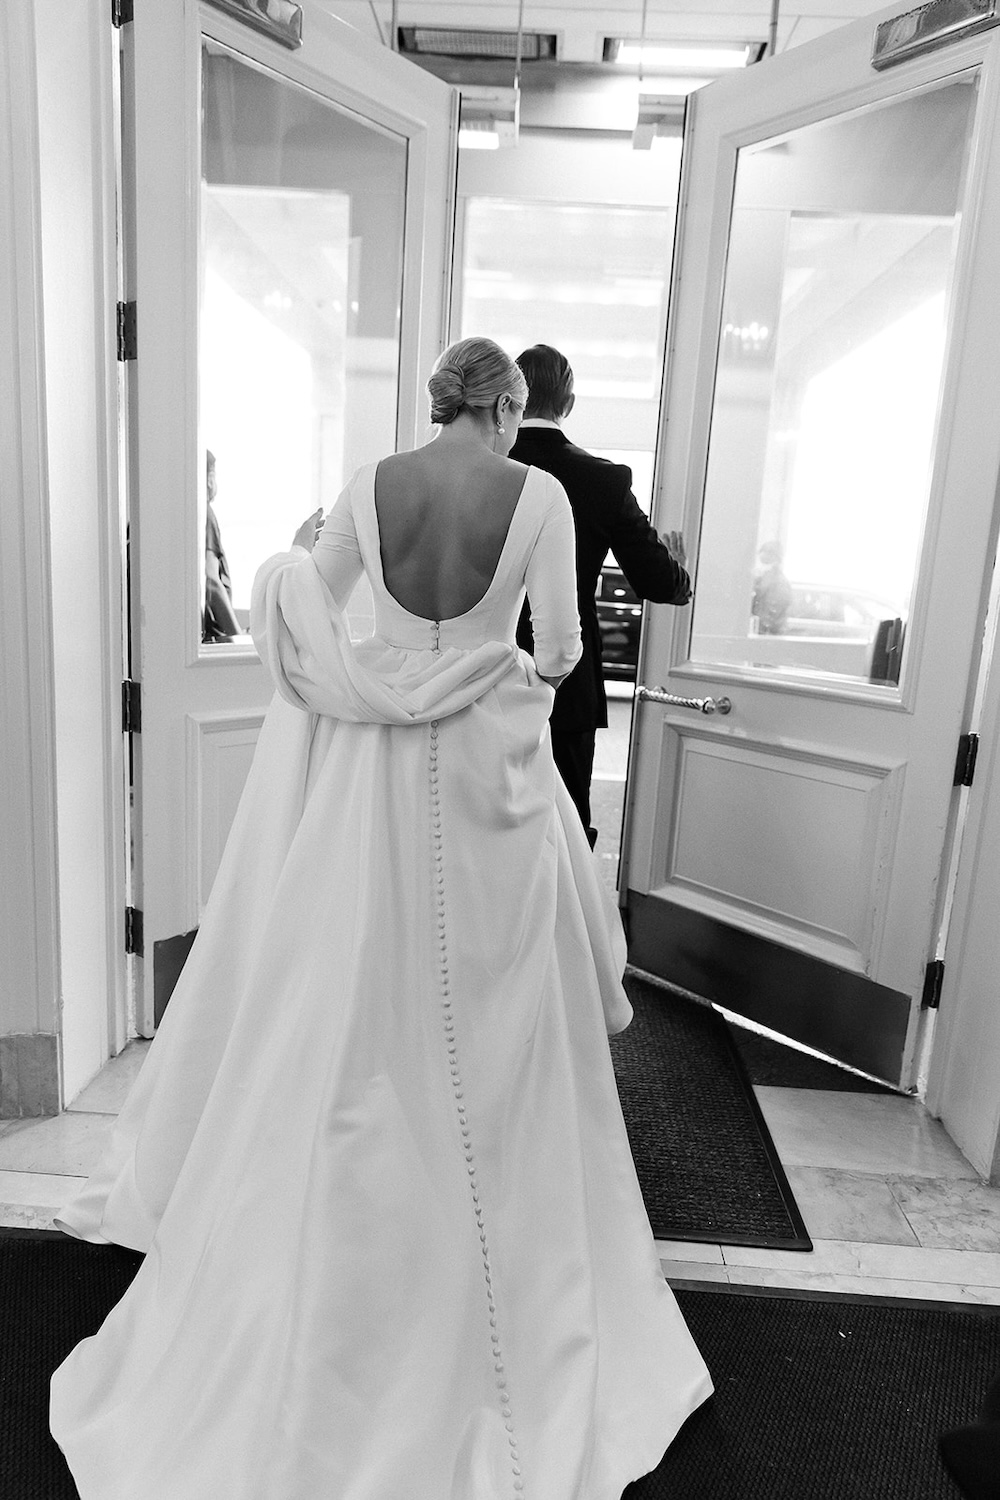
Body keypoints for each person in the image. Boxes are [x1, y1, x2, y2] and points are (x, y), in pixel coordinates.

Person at [49, 337, 711, 1500]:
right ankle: (493, 1251)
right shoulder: (541, 494)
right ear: (506, 406)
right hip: (486, 780)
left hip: (370, 780)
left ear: (436, 404)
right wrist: (487, 663)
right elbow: (557, 651)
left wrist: (381, 660)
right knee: (498, 1014)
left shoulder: (369, 483)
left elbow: (312, 593)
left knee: (354, 988)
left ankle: (342, 1236)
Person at [510, 344, 692, 847]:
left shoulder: (483, 469)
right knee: (564, 821)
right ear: (567, 403)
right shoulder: (603, 479)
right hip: (567, 683)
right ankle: (563, 924)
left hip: (482, 671)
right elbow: (658, 582)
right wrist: (679, 571)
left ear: (511, 399)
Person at [202, 449, 241, 642]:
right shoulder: (205, 514)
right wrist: (237, 637)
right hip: (213, 637)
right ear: (209, 478)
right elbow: (211, 581)